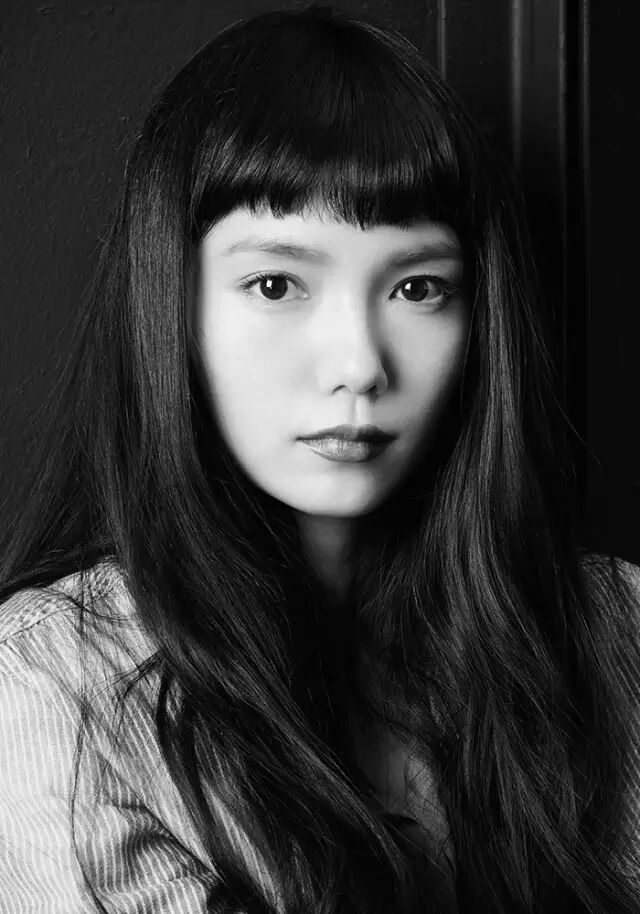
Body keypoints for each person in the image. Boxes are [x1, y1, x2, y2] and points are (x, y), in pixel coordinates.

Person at [0, 4, 638, 912]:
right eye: (276, 284)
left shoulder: (614, 632)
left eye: (418, 287)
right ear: (172, 305)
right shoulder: (54, 692)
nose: (359, 364)